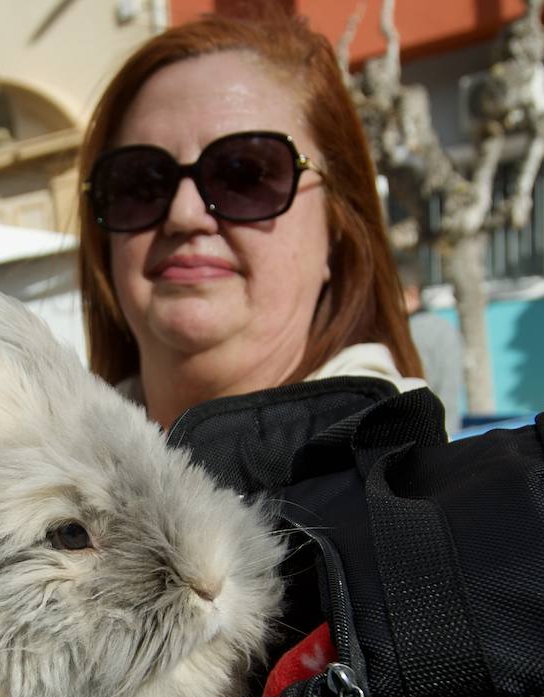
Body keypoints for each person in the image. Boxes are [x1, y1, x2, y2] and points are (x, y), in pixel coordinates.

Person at [77, 16, 422, 433]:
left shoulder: (419, 482)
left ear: (337, 226)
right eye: (140, 182)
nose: (184, 215)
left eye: (246, 174)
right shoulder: (27, 469)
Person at [403, 269, 465, 438]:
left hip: (421, 443)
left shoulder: (408, 335)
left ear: (411, 294)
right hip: (448, 436)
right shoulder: (445, 327)